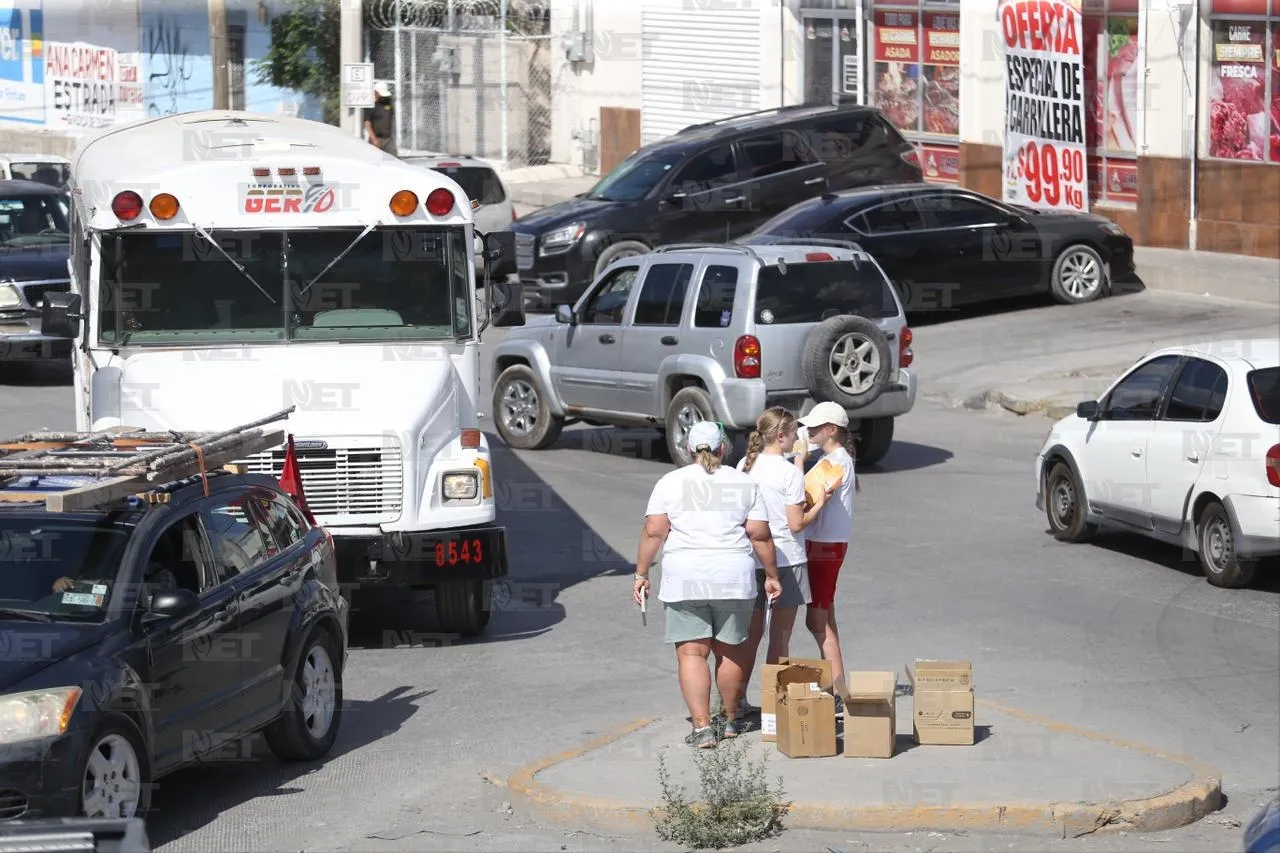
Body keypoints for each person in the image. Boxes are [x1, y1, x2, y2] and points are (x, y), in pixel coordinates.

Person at [634, 420, 783, 749]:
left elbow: (654, 531)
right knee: (732, 652)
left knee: (691, 652)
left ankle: (702, 728)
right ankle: (730, 721)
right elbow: (759, 535)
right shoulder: (744, 483)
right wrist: (772, 575)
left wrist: (641, 572)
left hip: (685, 577)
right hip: (733, 577)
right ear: (723, 448)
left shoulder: (670, 482)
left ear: (689, 450)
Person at [733, 407, 838, 720]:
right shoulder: (789, 474)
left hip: (750, 558)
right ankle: (772, 705)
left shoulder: (744, 464)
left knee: (749, 636)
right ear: (781, 436)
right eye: (794, 433)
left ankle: (736, 701)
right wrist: (820, 502)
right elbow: (795, 524)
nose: (798, 438)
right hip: (787, 561)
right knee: (780, 636)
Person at [793, 401, 860, 703]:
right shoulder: (832, 459)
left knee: (817, 621)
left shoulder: (834, 463)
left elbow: (803, 497)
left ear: (831, 430)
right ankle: (838, 686)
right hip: (827, 544)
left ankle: (836, 691)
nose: (809, 432)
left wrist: (797, 461)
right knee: (826, 617)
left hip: (824, 547)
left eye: (815, 428)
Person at [363, 82, 397, 155]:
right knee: (376, 162)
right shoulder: (370, 105)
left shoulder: (389, 102)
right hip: (376, 139)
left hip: (389, 140)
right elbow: (367, 124)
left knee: (393, 162)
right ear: (376, 92)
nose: (383, 97)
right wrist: (374, 139)